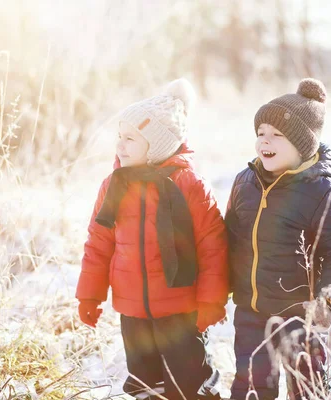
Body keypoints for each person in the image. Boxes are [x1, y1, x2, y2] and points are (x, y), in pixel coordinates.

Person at [76, 78, 229, 400]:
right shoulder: (114, 185)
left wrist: (211, 300)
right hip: (132, 310)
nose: (120, 145)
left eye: (130, 139)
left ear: (157, 144)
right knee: (145, 385)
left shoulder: (189, 184)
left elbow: (213, 246)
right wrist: (89, 295)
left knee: (190, 383)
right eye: (120, 137)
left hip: (181, 310)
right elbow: (99, 242)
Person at [226, 78, 331, 399]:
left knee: (307, 390)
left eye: (277, 135)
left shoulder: (323, 192)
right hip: (251, 313)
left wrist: (329, 302)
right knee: (250, 390)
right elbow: (227, 242)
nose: (265, 141)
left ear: (303, 145)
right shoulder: (245, 183)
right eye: (261, 133)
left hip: (302, 318)